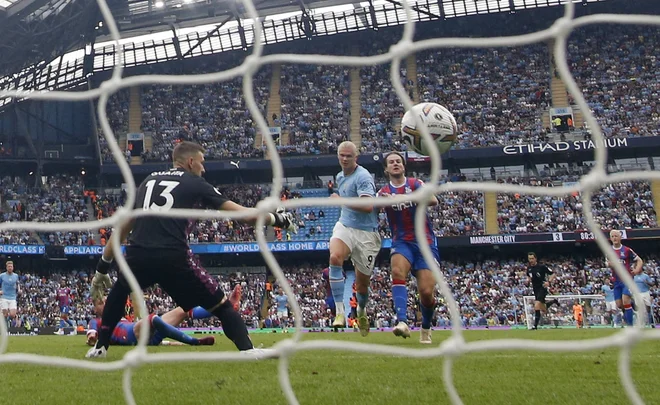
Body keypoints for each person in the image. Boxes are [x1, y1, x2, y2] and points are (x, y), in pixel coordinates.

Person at [86, 141, 296, 358]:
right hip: (173, 256)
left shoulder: (147, 182)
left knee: (119, 292)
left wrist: (102, 268)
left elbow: (122, 229)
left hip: (139, 254)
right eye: (202, 163)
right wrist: (276, 219)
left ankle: (100, 347)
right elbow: (243, 216)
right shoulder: (194, 183)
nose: (203, 169)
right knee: (222, 306)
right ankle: (248, 350)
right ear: (190, 161)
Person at [377, 151, 439, 344]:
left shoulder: (415, 184)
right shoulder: (384, 192)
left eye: (398, 161)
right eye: (391, 162)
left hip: (425, 243)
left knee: (427, 293)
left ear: (403, 166)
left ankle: (426, 328)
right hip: (401, 241)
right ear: (386, 169)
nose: (395, 164)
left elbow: (433, 200)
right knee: (396, 270)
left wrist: (409, 198)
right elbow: (372, 207)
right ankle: (402, 321)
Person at [328, 141, 381, 336]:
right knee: (334, 258)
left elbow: (368, 206)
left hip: (366, 233)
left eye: (349, 156)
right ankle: (340, 312)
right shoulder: (340, 176)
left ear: (355, 158)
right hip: (345, 226)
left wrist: (342, 201)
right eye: (341, 155)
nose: (344, 159)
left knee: (362, 285)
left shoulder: (363, 177)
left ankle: (361, 310)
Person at [87, 298, 215, 347]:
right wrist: (92, 338)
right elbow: (91, 335)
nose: (105, 303)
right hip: (134, 335)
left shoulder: (122, 319)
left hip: (149, 335)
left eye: (106, 300)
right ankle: (193, 341)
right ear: (95, 309)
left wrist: (170, 343)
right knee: (152, 319)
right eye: (101, 303)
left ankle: (221, 308)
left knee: (183, 310)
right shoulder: (97, 321)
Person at [607, 230, 643, 326]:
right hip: (616, 281)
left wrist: (636, 270)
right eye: (612, 236)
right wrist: (610, 264)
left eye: (616, 236)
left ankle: (630, 326)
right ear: (610, 238)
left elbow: (639, 260)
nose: (614, 238)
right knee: (619, 304)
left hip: (627, 280)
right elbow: (607, 263)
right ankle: (631, 307)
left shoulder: (627, 250)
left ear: (620, 237)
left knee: (625, 300)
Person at [526, 252, 559, 330]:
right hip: (535, 289)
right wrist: (528, 281)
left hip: (542, 287)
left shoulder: (541, 267)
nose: (531, 260)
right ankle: (553, 301)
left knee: (536, 305)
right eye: (529, 259)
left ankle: (535, 326)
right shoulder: (529, 268)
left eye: (532, 258)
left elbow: (553, 274)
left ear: (535, 259)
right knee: (543, 308)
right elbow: (529, 276)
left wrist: (548, 282)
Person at [0, 261, 20, 327]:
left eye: (11, 266)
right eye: (9, 266)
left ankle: (8, 320)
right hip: (4, 297)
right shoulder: (2, 276)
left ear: (13, 267)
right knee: (5, 314)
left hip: (12, 297)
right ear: (6, 267)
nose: (10, 268)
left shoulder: (16, 276)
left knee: (13, 314)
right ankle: (5, 325)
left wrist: (19, 290)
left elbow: (18, 284)